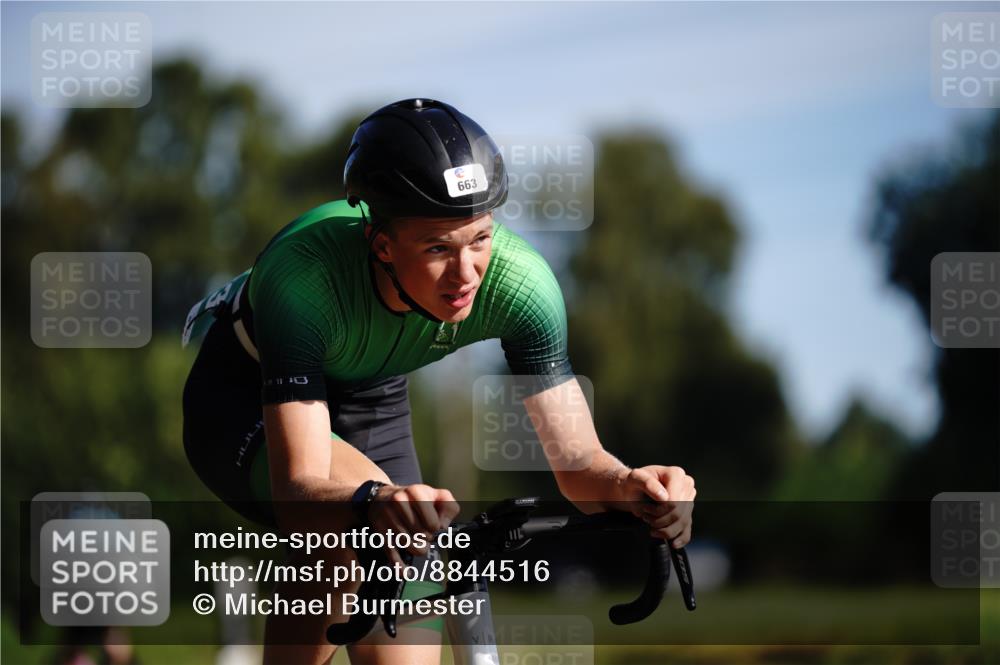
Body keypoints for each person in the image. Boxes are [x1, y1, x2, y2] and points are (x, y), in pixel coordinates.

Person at [181, 98, 696, 665]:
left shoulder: (522, 286)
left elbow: (577, 463)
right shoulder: (303, 279)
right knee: (353, 542)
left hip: (371, 401)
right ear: (381, 244)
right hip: (245, 399)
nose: (466, 272)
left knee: (408, 636)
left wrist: (631, 486)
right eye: (436, 249)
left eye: (480, 239)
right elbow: (301, 491)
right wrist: (373, 503)